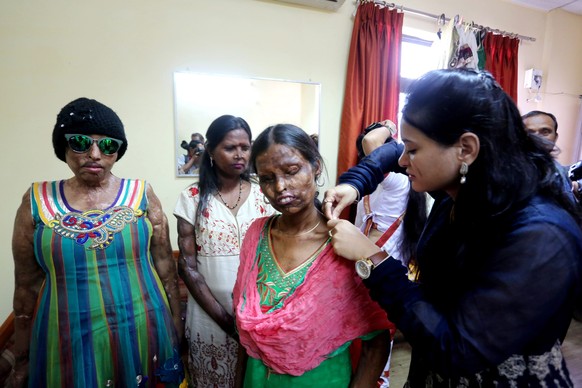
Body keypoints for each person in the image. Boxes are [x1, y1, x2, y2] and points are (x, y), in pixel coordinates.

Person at [324, 69, 582, 386]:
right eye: (406, 146)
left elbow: (458, 351)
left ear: (466, 149)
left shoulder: (540, 235)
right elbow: (391, 153)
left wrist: (372, 258)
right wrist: (354, 184)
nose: (404, 161)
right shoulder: (467, 187)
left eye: (414, 149)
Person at [7, 98, 184, 387]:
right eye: (80, 142)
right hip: (65, 334)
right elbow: (25, 286)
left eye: (108, 145)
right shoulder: (37, 201)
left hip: (144, 326)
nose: (94, 154)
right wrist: (21, 359)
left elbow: (165, 264)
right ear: (62, 147)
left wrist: (177, 321)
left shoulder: (141, 193)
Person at [233, 124, 393, 387]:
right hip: (256, 379)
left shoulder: (344, 245)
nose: (281, 187)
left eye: (292, 171)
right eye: (267, 178)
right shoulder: (256, 236)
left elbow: (376, 343)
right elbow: (245, 332)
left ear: (315, 166)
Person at [174, 115, 275, 387]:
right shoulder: (192, 197)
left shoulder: (265, 194)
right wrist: (227, 322)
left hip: (260, 315)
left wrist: (250, 321)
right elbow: (187, 266)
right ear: (210, 150)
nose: (240, 155)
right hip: (208, 316)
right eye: (230, 148)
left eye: (245, 146)